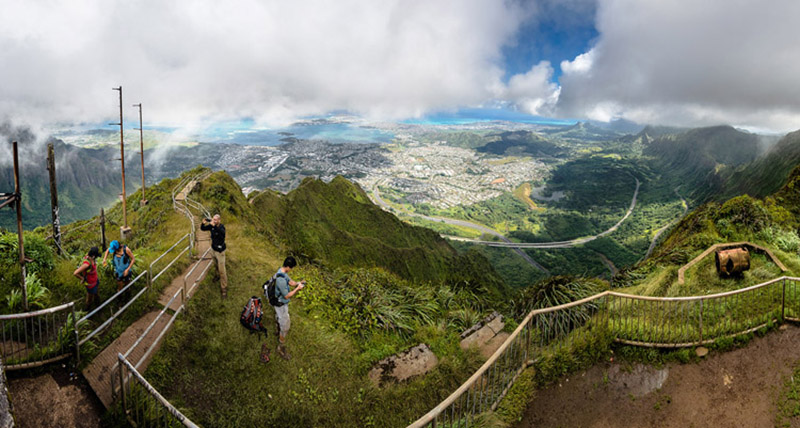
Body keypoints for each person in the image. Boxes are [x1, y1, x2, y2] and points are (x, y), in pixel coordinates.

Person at [269, 256, 306, 360]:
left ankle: (278, 328)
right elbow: (287, 295)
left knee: (279, 318)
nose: (291, 270)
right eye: (292, 268)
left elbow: (290, 282)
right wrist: (297, 289)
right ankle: (280, 348)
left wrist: (298, 283)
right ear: (289, 267)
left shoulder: (281, 272)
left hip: (279, 302)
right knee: (286, 326)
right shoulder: (281, 280)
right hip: (281, 304)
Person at [201, 214, 228, 298]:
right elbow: (203, 229)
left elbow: (222, 235)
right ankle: (217, 276)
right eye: (213, 219)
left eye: (216, 220)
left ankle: (224, 288)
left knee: (222, 271)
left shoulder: (221, 227)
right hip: (213, 249)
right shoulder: (211, 226)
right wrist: (203, 223)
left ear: (219, 220)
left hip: (220, 252)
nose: (214, 221)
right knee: (216, 265)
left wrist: (214, 226)